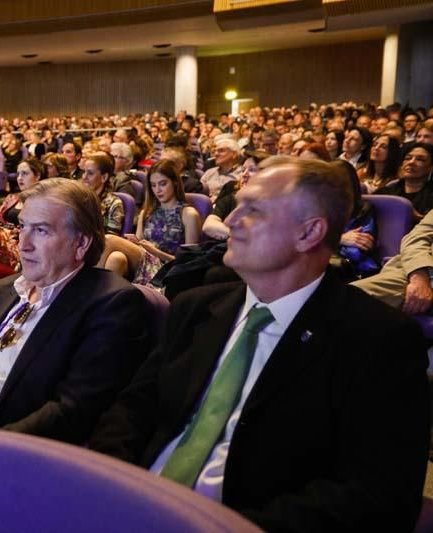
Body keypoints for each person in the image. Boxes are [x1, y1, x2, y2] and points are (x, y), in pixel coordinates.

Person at [88, 158, 429, 532]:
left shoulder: (376, 339)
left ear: (309, 232)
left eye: (253, 210)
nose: (231, 221)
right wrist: (103, 492)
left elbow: (374, 497)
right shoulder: (195, 308)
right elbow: (130, 413)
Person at [0, 178, 147, 463]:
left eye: (41, 230)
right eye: (22, 226)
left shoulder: (111, 304)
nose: (23, 244)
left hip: (5, 460)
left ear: (81, 243)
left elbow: (70, 411)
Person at [100, 160, 201, 286]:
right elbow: (140, 246)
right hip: (144, 263)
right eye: (153, 185)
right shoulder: (146, 212)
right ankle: (102, 302)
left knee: (108, 240)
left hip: (167, 270)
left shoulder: (188, 214)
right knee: (116, 258)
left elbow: (190, 263)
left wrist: (156, 252)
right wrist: (135, 242)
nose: (158, 190)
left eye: (163, 184)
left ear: (175, 182)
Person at [374, 142, 433, 220]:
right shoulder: (384, 192)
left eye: (420, 159)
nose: (411, 162)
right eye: (408, 158)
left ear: (431, 167)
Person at [81, 153, 125, 236]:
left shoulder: (114, 204)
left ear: (104, 177)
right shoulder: (79, 198)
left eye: (90, 173)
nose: (84, 177)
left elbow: (111, 239)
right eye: (84, 172)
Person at [200, 138, 241, 203]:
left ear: (234, 154)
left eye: (221, 151)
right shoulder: (209, 172)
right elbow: (199, 191)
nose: (216, 154)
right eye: (215, 151)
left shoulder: (241, 174)